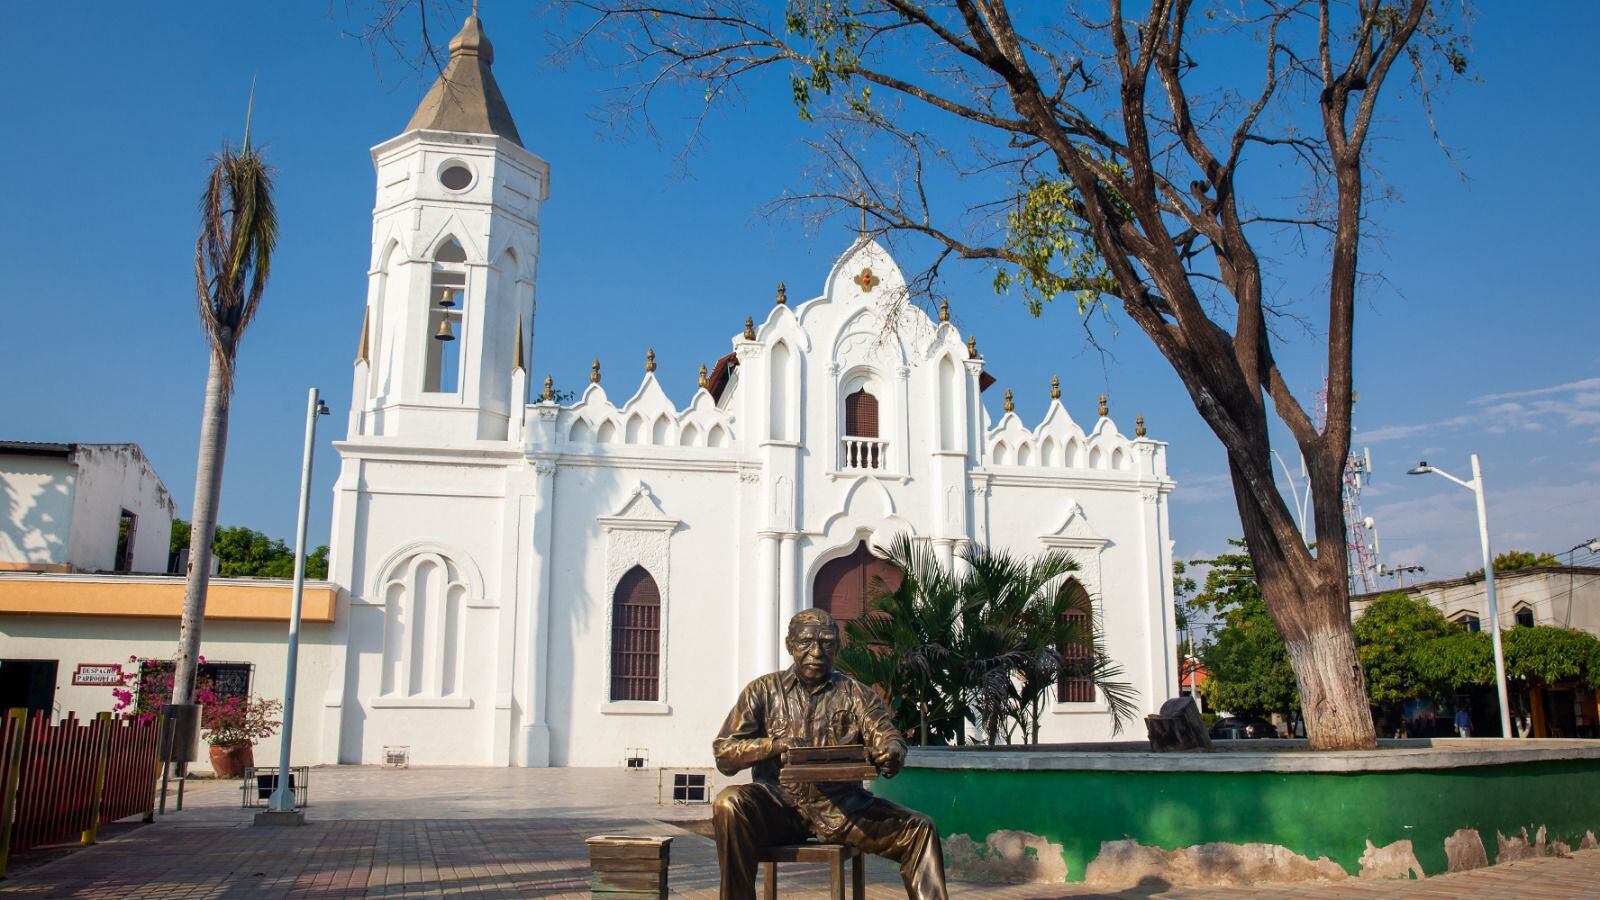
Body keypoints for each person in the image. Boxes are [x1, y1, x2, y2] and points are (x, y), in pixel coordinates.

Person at [711, 608, 948, 900]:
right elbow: (724, 753)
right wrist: (774, 745)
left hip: (845, 809)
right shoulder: (762, 691)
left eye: (826, 642)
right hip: (778, 806)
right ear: (789, 645)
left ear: (837, 646)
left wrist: (892, 751)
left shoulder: (856, 694)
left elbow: (887, 735)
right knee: (729, 804)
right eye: (806, 642)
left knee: (920, 830)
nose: (816, 652)